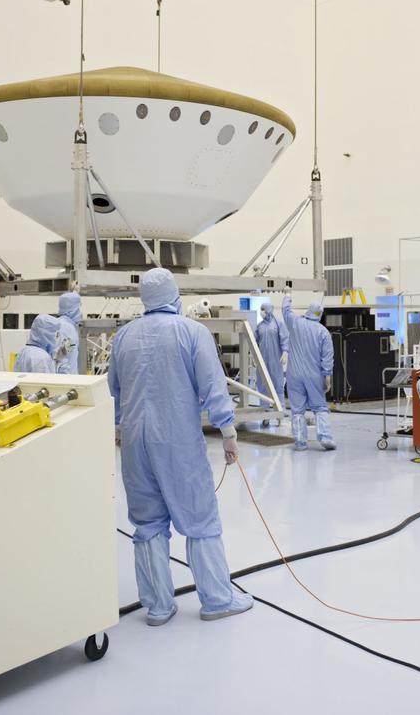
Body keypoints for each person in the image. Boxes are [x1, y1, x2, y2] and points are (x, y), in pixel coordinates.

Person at [107, 268, 252, 625]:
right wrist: (228, 432)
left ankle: (158, 606)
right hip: (177, 441)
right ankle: (217, 599)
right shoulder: (191, 332)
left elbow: (115, 390)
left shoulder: (124, 337)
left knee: (147, 523)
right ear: (174, 294)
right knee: (199, 517)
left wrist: (118, 427)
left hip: (134, 443)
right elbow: (213, 386)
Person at [281, 296, 335, 451]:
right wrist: (327, 376)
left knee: (297, 409)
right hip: (314, 375)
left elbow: (285, 311)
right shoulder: (323, 332)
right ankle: (325, 437)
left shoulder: (295, 322)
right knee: (319, 406)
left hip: (294, 375)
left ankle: (300, 441)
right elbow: (327, 357)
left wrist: (288, 296)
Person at [254, 301, 287, 422]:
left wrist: (285, 351)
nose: (262, 311)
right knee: (262, 386)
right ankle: (265, 414)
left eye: (263, 309)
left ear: (269, 310)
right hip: (262, 360)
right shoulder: (260, 326)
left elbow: (285, 338)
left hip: (275, 360)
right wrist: (252, 356)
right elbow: (255, 342)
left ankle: (280, 413)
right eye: (261, 309)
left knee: (277, 385)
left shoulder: (278, 324)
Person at [56, 292, 82, 374]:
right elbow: (61, 356)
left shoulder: (65, 324)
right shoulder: (66, 328)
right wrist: (67, 377)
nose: (80, 312)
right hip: (67, 378)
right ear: (72, 310)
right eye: (78, 308)